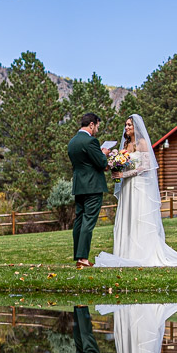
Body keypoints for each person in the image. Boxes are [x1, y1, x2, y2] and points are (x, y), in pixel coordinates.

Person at [95, 114, 177, 267]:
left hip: (138, 185)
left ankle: (141, 253)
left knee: (138, 217)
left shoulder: (142, 143)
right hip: (126, 187)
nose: (127, 127)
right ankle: (125, 253)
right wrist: (115, 166)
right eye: (126, 125)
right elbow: (123, 163)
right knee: (128, 217)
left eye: (130, 125)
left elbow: (145, 166)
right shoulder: (125, 146)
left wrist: (125, 174)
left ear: (136, 127)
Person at [65, 113, 113, 269]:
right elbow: (101, 163)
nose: (97, 130)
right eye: (97, 126)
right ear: (91, 124)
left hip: (79, 186)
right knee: (88, 221)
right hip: (92, 186)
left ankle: (78, 256)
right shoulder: (91, 141)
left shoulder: (72, 142)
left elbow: (84, 162)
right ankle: (83, 259)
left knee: (79, 221)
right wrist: (104, 153)